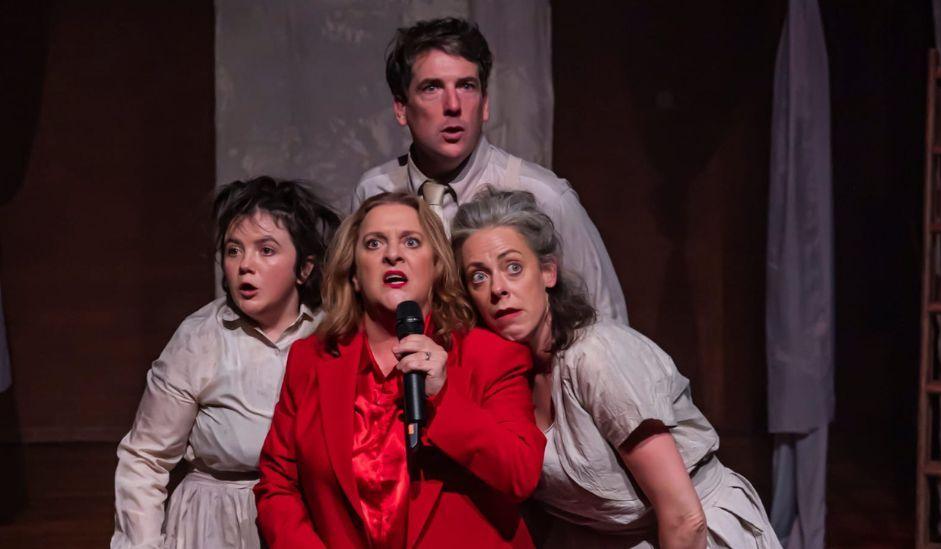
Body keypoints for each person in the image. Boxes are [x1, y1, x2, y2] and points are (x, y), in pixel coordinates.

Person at [452, 189, 781, 549]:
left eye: (513, 267)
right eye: (479, 277)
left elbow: (685, 518)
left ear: (547, 273)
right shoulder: (509, 378)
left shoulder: (595, 356)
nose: (498, 289)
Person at [254, 192, 546, 548]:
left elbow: (520, 474)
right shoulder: (311, 359)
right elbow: (278, 484)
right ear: (355, 274)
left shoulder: (491, 356)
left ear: (437, 266)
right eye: (374, 243)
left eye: (411, 241)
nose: (393, 254)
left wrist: (443, 396)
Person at [111, 177, 341, 549]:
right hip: (214, 523)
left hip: (303, 517)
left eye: (266, 250)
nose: (245, 265)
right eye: (234, 251)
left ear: (305, 267)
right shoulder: (201, 337)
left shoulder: (329, 332)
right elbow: (146, 457)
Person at [352, 17, 628, 324]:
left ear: (484, 104)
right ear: (401, 108)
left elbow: (607, 321)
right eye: (432, 88)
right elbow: (355, 311)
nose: (453, 105)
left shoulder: (544, 195)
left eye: (467, 86)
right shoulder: (375, 192)